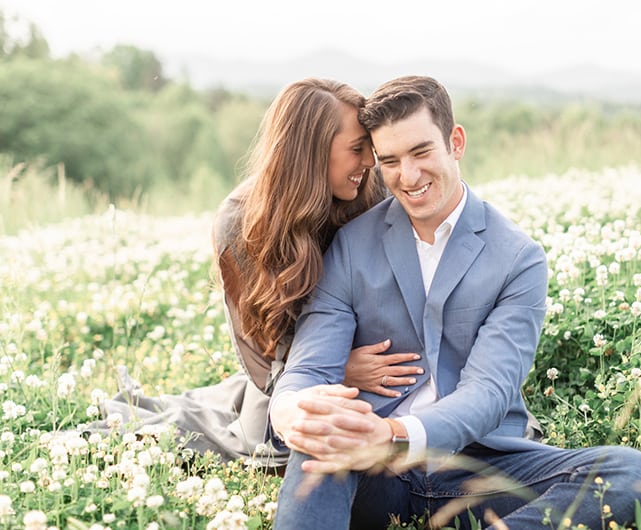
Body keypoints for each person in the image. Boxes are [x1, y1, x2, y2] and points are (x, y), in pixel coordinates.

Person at [267, 75, 641, 529]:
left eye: (421, 152)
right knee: (326, 431)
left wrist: (393, 434)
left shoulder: (517, 257)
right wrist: (291, 409)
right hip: (373, 472)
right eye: (390, 161)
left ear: (455, 142)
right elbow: (311, 365)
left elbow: (489, 392)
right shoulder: (351, 245)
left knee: (632, 475)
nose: (408, 176)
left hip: (479, 467)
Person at [92, 78, 425, 468]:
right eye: (356, 149)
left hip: (380, 368)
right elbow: (261, 350)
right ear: (312, 152)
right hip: (287, 376)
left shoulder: (371, 195)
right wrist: (339, 367)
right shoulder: (240, 224)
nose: (369, 162)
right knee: (281, 452)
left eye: (368, 148)